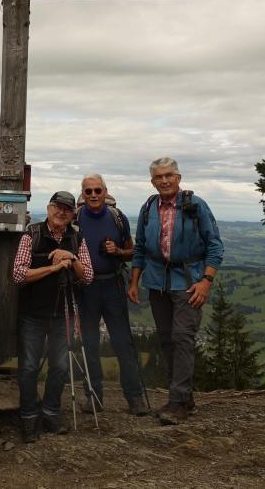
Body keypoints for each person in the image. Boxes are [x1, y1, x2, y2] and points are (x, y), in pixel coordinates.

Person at [128, 157, 224, 425]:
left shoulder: (196, 206)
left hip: (190, 282)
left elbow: (215, 246)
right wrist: (134, 282)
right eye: (159, 177)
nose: (165, 180)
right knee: (168, 340)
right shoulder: (148, 208)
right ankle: (185, 398)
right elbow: (140, 248)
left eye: (169, 175)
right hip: (157, 282)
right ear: (152, 182)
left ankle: (178, 402)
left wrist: (206, 281)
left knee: (182, 338)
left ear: (179, 178)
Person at [12, 191, 93, 442]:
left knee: (59, 367)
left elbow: (87, 276)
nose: (61, 212)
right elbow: (18, 275)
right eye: (57, 207)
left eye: (67, 210)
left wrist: (71, 257)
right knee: (28, 368)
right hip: (33, 314)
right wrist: (54, 267)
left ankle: (50, 413)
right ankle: (28, 417)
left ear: (72, 215)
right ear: (48, 209)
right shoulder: (32, 235)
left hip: (63, 315)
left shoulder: (76, 238)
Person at [77, 174, 147, 416]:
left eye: (98, 190)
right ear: (83, 194)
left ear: (105, 192)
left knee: (123, 342)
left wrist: (117, 251)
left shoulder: (118, 218)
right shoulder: (74, 220)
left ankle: (134, 398)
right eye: (89, 191)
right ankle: (93, 397)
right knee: (89, 343)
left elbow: (132, 252)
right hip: (85, 287)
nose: (94, 195)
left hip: (113, 284)